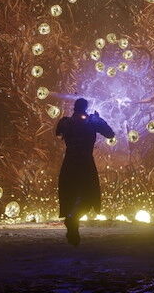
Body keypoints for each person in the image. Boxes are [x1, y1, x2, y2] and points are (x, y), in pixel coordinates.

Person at [54, 97, 115, 245]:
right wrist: (98, 120)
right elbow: (110, 134)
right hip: (85, 164)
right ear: (86, 108)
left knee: (71, 196)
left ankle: (72, 221)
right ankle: (73, 219)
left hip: (69, 163)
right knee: (89, 198)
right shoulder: (91, 121)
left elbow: (58, 132)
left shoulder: (66, 122)